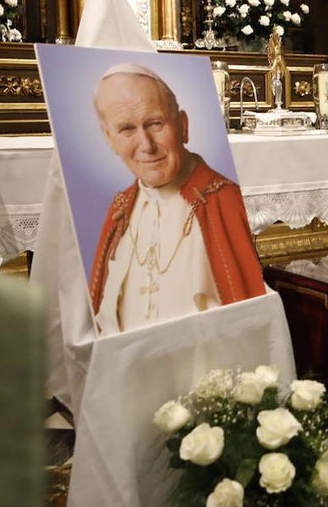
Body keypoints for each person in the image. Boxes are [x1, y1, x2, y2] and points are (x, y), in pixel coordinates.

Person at [90, 63, 266, 335]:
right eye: (127, 129)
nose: (146, 145)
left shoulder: (223, 200)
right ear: (109, 138)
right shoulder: (119, 210)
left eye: (155, 124)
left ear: (183, 126)